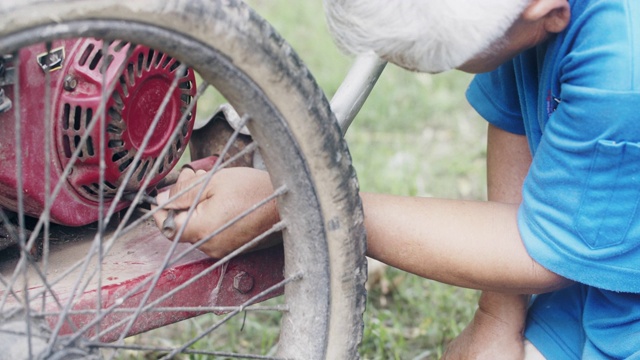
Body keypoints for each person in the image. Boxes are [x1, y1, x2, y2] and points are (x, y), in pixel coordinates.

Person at [153, 0, 640, 358]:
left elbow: (546, 250)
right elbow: (513, 118)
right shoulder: (525, 20)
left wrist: (302, 201)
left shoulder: (624, 72)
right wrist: (498, 317)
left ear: (548, 11)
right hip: (600, 271)